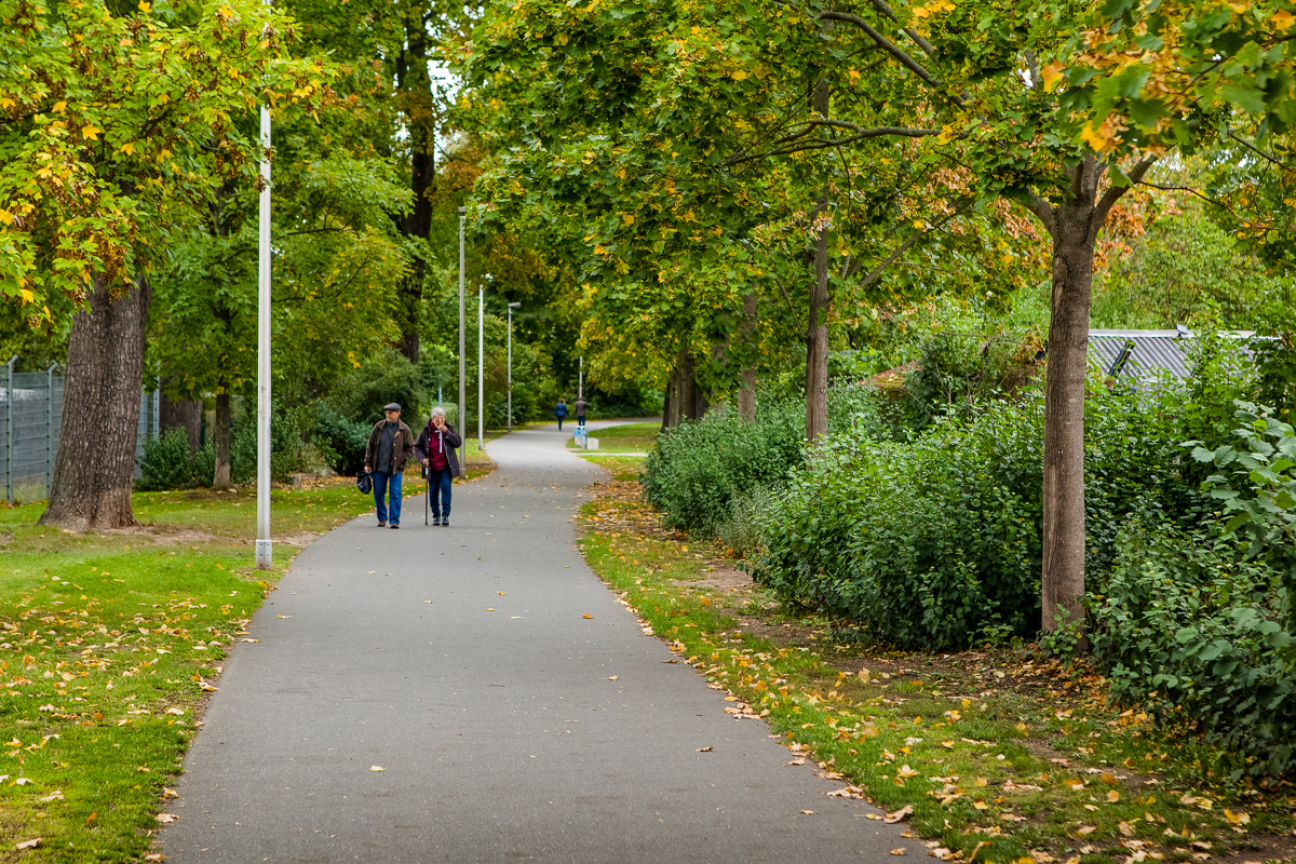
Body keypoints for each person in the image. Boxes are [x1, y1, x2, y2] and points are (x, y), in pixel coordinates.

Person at [364, 403, 417, 529]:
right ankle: (382, 517)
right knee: (378, 493)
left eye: (391, 413)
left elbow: (411, 449)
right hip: (379, 466)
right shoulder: (379, 427)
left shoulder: (404, 429)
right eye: (387, 412)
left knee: (395, 493)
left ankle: (394, 521)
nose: (389, 415)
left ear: (398, 413)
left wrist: (401, 457)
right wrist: (368, 463)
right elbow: (370, 445)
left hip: (396, 468)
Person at [415, 407, 462, 527]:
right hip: (432, 467)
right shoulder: (426, 431)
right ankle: (436, 515)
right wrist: (423, 459)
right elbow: (417, 447)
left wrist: (446, 432)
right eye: (437, 419)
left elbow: (458, 443)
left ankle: (445, 515)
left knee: (446, 488)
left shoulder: (449, 428)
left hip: (446, 466)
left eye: (443, 418)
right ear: (432, 419)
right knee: (433, 492)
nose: (440, 421)